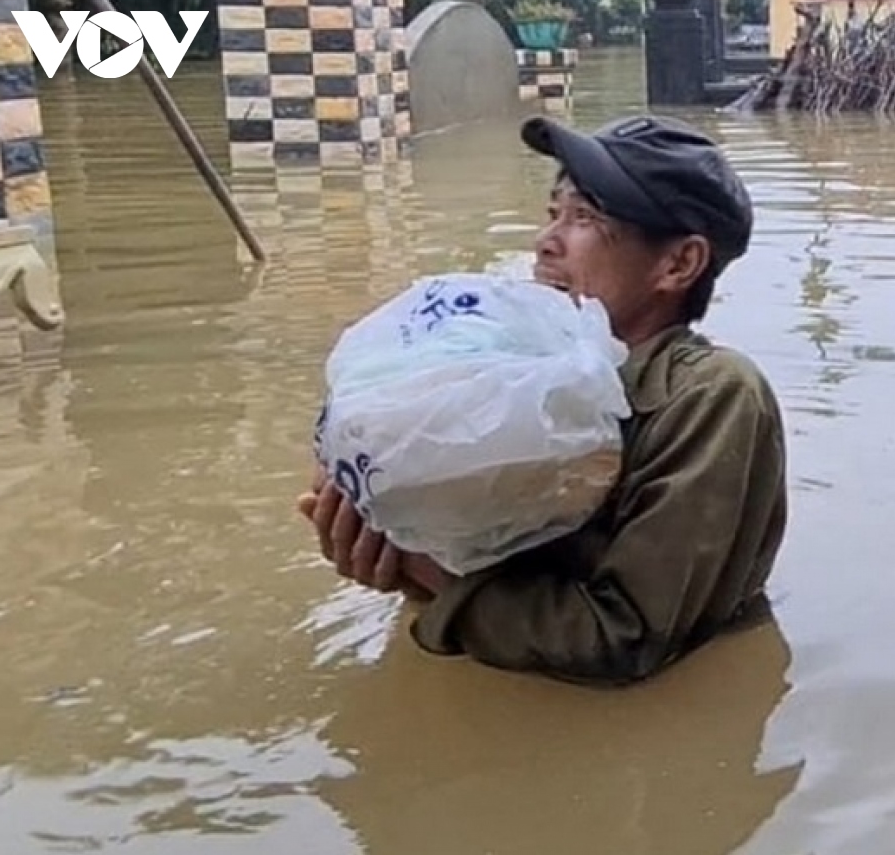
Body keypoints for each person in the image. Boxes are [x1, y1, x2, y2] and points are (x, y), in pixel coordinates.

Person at [297, 114, 789, 686]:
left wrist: (426, 573)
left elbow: (622, 640)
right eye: (553, 213)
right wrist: (389, 530)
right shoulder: (511, 376)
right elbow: (471, 556)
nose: (545, 242)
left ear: (678, 264)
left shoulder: (713, 395)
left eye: (585, 218)